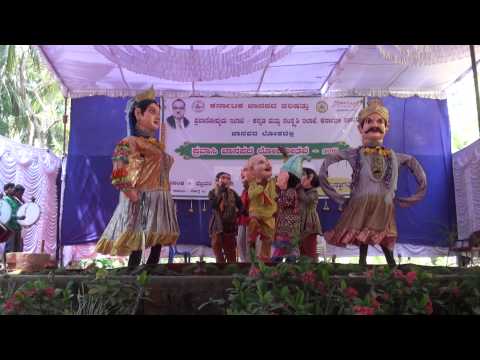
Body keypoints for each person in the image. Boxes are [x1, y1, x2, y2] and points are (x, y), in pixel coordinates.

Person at [318, 98, 427, 267]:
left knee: (383, 234)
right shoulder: (354, 154)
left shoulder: (394, 156)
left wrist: (416, 194)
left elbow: (413, 164)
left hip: (384, 204)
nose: (374, 125)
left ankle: (390, 264)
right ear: (360, 128)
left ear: (386, 128)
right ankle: (365, 263)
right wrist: (339, 199)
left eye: (380, 121)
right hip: (361, 204)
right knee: (363, 232)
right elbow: (326, 166)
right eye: (369, 121)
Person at [95, 87, 180, 267]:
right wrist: (131, 192)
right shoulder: (130, 142)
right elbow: (120, 171)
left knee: (156, 238)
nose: (157, 116)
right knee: (138, 238)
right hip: (143, 197)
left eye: (158, 112)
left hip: (160, 198)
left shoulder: (156, 145)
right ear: (138, 114)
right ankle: (133, 276)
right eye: (152, 111)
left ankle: (150, 272)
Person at [272, 155, 310, 263]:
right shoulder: (286, 191)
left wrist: (277, 199)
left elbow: (284, 204)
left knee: (283, 247)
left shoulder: (290, 191)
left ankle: (276, 267)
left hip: (288, 227)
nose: (278, 178)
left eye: (281, 175)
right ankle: (286, 266)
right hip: (286, 226)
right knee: (288, 247)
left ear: (288, 178)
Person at [246, 154, 277, 262]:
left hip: (269, 216)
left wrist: (285, 156)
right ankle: (251, 246)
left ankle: (265, 262)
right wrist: (260, 187)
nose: (267, 163)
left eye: (267, 161)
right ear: (252, 170)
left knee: (268, 241)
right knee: (253, 222)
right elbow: (250, 195)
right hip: (256, 213)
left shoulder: (272, 182)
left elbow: (274, 196)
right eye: (261, 162)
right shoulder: (253, 184)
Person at [208, 172, 244, 263]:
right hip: (217, 227)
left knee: (231, 254)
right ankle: (220, 273)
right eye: (223, 178)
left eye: (228, 178)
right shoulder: (212, 192)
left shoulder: (233, 193)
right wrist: (221, 191)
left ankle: (232, 273)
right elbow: (214, 205)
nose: (226, 180)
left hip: (230, 227)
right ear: (217, 180)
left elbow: (241, 207)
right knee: (218, 253)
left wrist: (237, 215)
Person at [299, 167, 322, 262]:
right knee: (302, 250)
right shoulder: (300, 191)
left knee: (310, 250)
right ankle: (303, 271)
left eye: (303, 175)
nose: (300, 177)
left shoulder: (314, 192)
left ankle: (313, 272)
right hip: (300, 224)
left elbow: (307, 200)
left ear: (310, 177)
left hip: (310, 224)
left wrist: (299, 188)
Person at [3, 183, 25, 256]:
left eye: (13, 187)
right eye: (11, 188)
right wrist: (18, 217)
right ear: (7, 190)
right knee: (10, 249)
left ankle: (15, 265)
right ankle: (6, 265)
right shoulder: (6, 200)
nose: (13, 189)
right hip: (10, 227)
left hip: (17, 227)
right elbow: (6, 214)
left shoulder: (16, 200)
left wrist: (22, 200)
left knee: (17, 249)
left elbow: (21, 211)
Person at [236, 164, 250, 262]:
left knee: (249, 245)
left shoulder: (255, 190)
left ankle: (250, 265)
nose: (243, 180)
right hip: (241, 221)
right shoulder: (244, 191)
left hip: (250, 222)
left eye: (244, 178)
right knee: (240, 243)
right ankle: (244, 263)